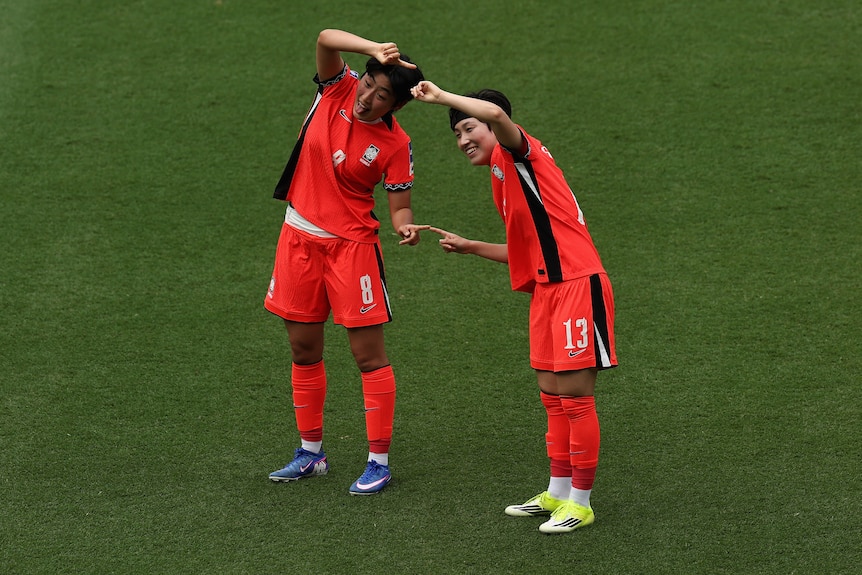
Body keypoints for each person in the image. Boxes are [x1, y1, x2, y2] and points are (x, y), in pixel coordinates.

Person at [410, 81, 617, 532]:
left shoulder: (520, 154)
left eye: (469, 129)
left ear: (491, 122)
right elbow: (528, 250)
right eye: (457, 135)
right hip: (547, 290)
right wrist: (471, 247)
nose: (463, 141)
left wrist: (442, 97)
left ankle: (580, 504)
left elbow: (500, 118)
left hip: (578, 283)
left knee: (577, 397)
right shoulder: (501, 175)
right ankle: (557, 492)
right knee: (552, 396)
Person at [264, 29, 426, 496]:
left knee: (367, 356)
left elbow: (399, 204)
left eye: (382, 97)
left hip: (352, 249)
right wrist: (373, 49)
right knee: (303, 348)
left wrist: (404, 226)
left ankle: (379, 461)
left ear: (395, 107)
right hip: (297, 237)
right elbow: (324, 37)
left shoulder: (396, 144)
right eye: (369, 84)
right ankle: (310, 453)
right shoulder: (336, 86)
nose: (368, 98)